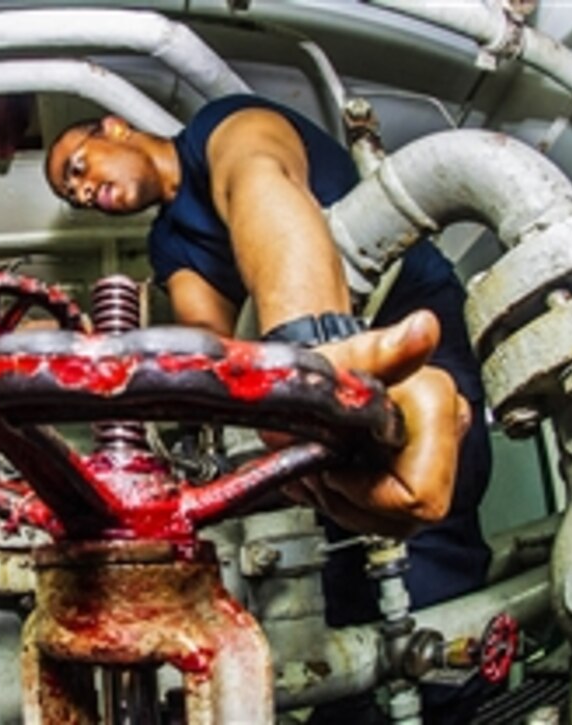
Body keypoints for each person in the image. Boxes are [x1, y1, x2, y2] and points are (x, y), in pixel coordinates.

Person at [45, 94, 493, 723]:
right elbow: (208, 345)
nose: (86, 192)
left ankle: (452, 696)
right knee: (351, 576)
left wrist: (306, 364)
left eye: (79, 168)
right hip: (324, 429)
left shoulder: (221, 127)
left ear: (115, 128)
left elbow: (259, 180)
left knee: (436, 557)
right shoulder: (169, 244)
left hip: (409, 327)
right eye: (75, 197)